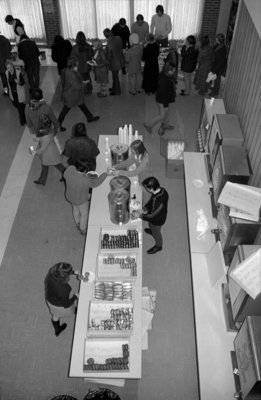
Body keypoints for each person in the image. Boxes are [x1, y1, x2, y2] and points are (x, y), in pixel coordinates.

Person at [64, 160, 108, 234]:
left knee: (75, 209)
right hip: (81, 200)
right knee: (84, 214)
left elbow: (65, 175)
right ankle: (82, 229)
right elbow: (96, 183)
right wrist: (105, 173)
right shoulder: (84, 179)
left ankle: (77, 222)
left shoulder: (70, 169)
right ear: (84, 171)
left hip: (70, 196)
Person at [58, 56, 99, 130]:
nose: (78, 63)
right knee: (65, 110)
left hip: (74, 94)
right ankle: (58, 125)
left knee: (82, 105)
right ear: (74, 63)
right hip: (71, 96)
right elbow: (77, 86)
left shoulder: (69, 70)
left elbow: (75, 82)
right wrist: (85, 83)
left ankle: (89, 117)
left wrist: (81, 81)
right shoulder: (71, 74)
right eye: (77, 62)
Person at [45, 262, 79, 336]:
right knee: (70, 309)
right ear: (66, 277)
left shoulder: (51, 274)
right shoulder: (64, 289)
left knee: (55, 315)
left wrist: (73, 272)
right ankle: (75, 310)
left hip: (50, 300)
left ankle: (57, 330)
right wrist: (75, 297)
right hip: (60, 306)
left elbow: (60, 273)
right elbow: (66, 304)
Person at [137, 177, 169, 254]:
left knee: (156, 233)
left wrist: (139, 215)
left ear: (150, 188)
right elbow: (151, 201)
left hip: (158, 220)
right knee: (151, 226)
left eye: (146, 187)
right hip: (156, 215)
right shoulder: (161, 190)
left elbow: (151, 216)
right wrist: (145, 208)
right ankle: (152, 231)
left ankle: (159, 246)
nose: (145, 189)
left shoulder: (159, 201)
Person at [144, 61, 176, 136]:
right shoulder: (163, 79)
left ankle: (165, 125)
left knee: (167, 113)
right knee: (162, 115)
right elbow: (162, 93)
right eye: (173, 70)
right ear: (169, 70)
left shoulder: (166, 75)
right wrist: (165, 105)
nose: (174, 72)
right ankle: (148, 125)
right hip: (162, 101)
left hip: (166, 99)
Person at [32, 113, 65, 185]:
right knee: (55, 165)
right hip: (52, 151)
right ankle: (42, 180)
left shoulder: (45, 136)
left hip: (48, 154)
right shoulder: (50, 128)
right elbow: (46, 138)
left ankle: (42, 180)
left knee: (50, 166)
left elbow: (43, 148)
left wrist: (35, 152)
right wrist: (38, 140)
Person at [103, 28, 125, 95]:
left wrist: (106, 60)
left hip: (114, 62)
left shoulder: (109, 42)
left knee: (115, 77)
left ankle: (117, 91)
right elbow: (121, 46)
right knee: (115, 76)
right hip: (120, 59)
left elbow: (109, 55)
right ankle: (114, 88)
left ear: (105, 35)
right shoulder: (118, 37)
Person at [5, 59, 26, 125]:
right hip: (12, 94)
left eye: (10, 67)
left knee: (20, 109)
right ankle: (24, 115)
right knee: (17, 105)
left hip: (19, 93)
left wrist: (18, 82)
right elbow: (7, 83)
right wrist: (6, 90)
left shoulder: (18, 73)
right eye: (8, 68)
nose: (10, 69)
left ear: (13, 66)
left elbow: (23, 83)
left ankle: (22, 121)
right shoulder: (6, 73)